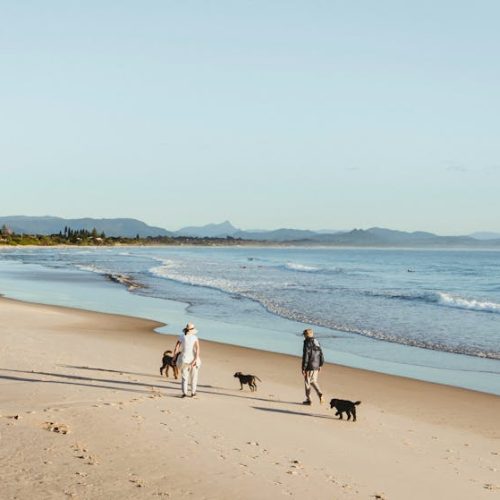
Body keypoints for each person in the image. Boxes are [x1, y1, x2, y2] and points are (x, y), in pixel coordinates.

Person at [173, 322, 201, 398]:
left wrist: (174, 357)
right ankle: (193, 392)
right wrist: (195, 360)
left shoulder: (181, 336)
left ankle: (184, 393)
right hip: (193, 358)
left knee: (184, 377)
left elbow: (176, 348)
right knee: (194, 377)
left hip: (183, 359)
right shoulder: (195, 337)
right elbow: (198, 349)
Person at [301, 328, 324, 405]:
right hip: (316, 365)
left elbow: (306, 356)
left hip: (309, 366)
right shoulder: (316, 342)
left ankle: (309, 399)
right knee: (313, 381)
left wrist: (304, 368)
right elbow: (321, 354)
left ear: (306, 335)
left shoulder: (307, 343)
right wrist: (320, 364)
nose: (304, 337)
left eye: (304, 335)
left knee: (308, 382)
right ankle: (320, 394)